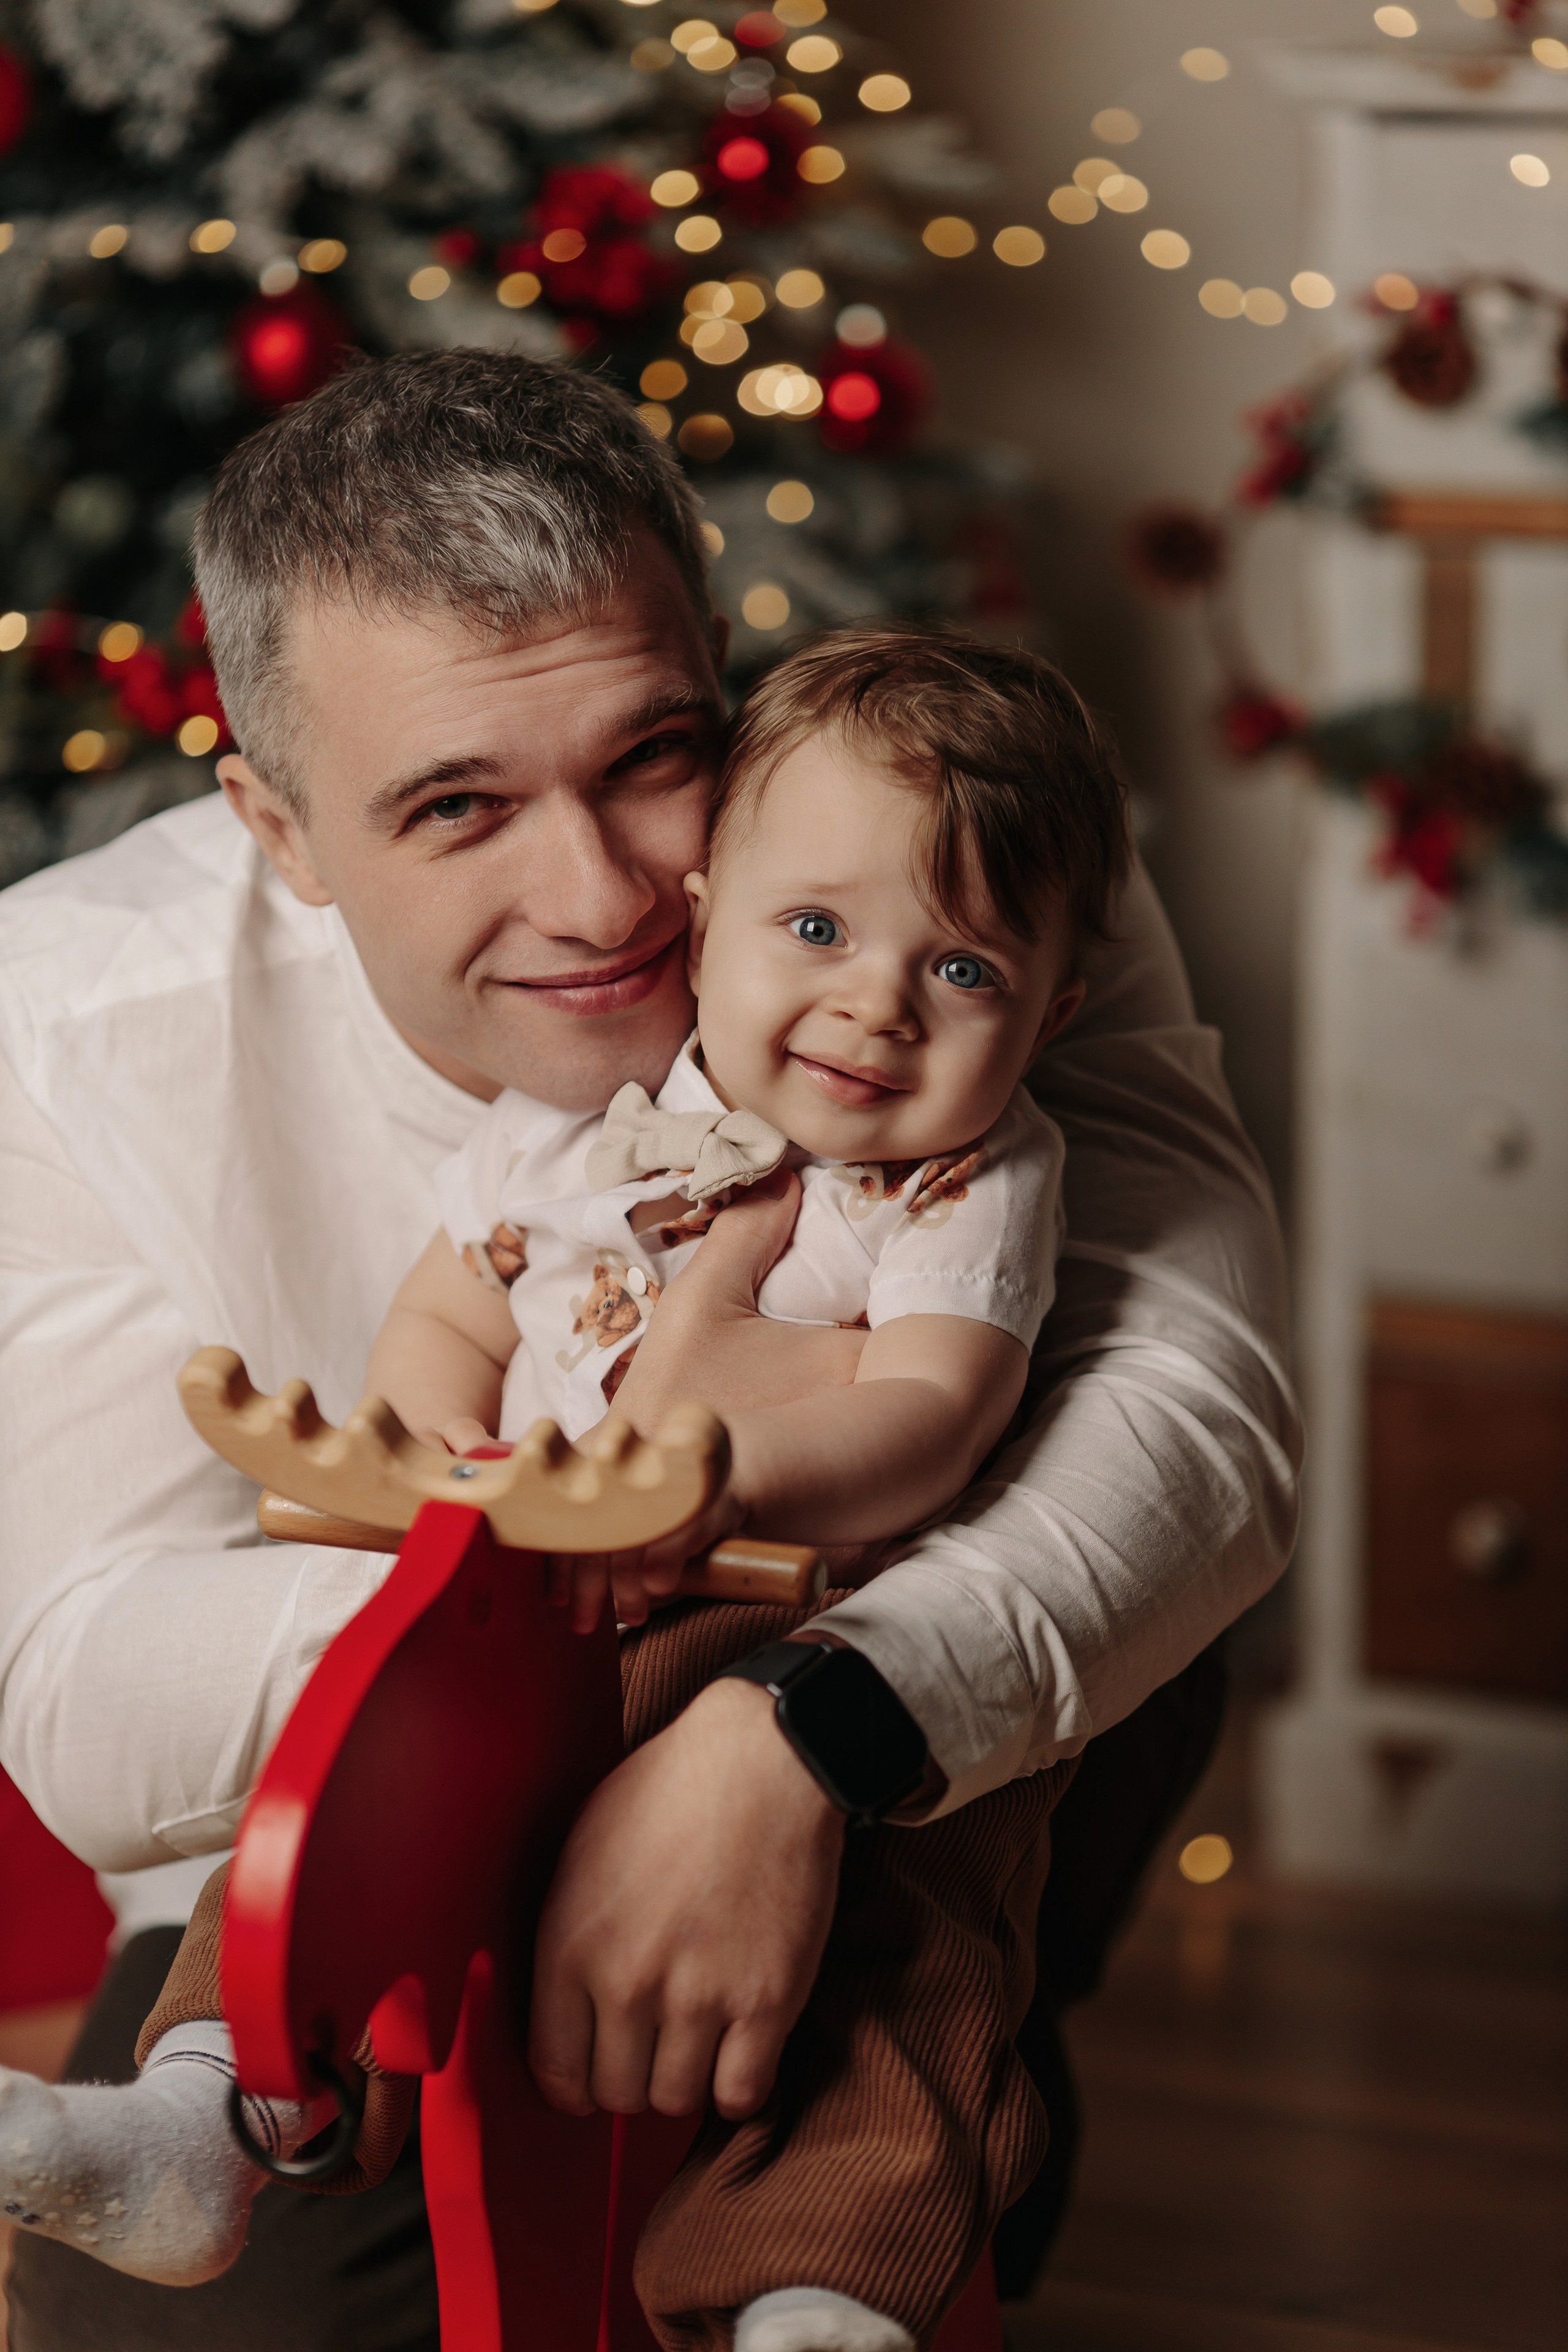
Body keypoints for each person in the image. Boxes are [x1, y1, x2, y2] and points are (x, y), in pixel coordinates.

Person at [0, 350, 1300, 2351]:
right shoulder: (65, 1031)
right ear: (278, 827)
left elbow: (1204, 1421)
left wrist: (801, 1740)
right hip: (366, 1811)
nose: (602, 893)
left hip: (877, 1718)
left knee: (934, 1971)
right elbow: (81, 1696)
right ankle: (227, 2114)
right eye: (457, 806)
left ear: (724, 680)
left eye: (652, 755)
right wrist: (533, 1655)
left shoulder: (946, 874)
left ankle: (896, 2124)